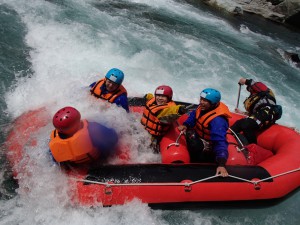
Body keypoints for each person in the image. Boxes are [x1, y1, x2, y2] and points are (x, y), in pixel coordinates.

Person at [178, 88, 231, 177]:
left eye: (205, 101)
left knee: (194, 144)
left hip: (210, 143)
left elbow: (220, 142)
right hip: (199, 134)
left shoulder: (218, 121)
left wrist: (221, 164)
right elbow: (194, 116)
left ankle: (195, 163)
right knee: (190, 136)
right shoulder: (202, 107)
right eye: (201, 99)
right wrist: (186, 125)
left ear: (213, 103)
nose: (201, 102)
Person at [49, 106, 118, 164]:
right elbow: (113, 139)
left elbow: (54, 157)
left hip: (73, 166)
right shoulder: (93, 130)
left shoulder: (54, 137)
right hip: (95, 162)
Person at [230, 78, 282, 144]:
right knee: (241, 123)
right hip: (261, 115)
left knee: (245, 124)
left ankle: (252, 146)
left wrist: (244, 81)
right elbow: (253, 114)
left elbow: (253, 83)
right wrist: (241, 113)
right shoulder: (256, 98)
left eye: (249, 89)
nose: (249, 90)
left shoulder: (262, 90)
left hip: (267, 113)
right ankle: (228, 136)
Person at [141, 85, 187, 152]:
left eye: (163, 96)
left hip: (153, 136)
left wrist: (179, 109)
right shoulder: (154, 101)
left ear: (169, 98)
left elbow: (170, 112)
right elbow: (152, 98)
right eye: (158, 95)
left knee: (147, 149)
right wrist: (148, 96)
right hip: (143, 129)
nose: (159, 98)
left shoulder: (165, 111)